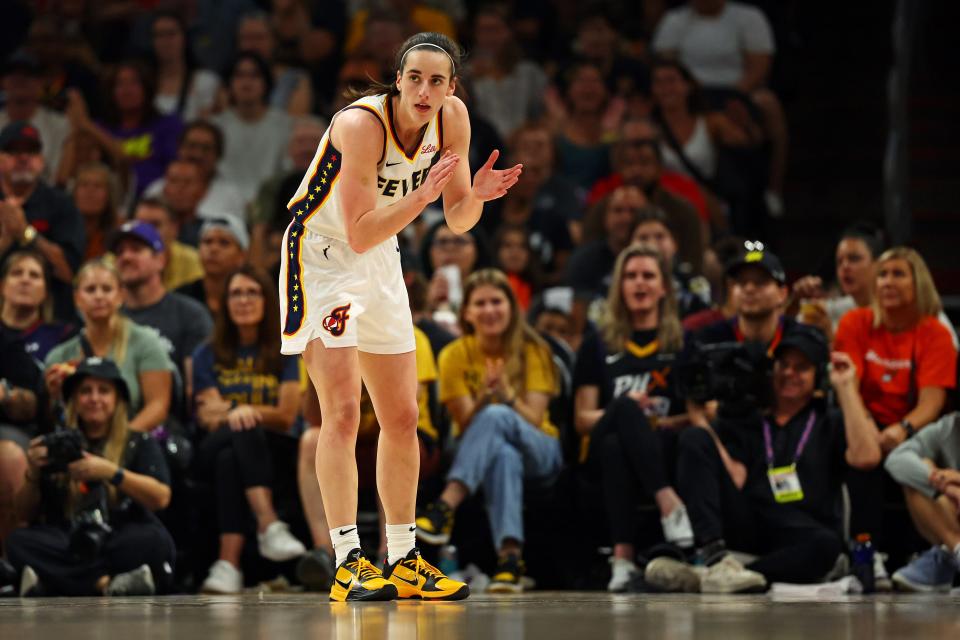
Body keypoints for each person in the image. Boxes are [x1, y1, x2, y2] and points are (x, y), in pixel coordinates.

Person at [280, 32, 521, 602]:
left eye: (437, 80)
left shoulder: (453, 119)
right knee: (339, 413)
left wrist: (477, 196)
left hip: (379, 255)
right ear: (398, 79)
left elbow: (457, 219)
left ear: (452, 88)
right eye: (414, 77)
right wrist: (421, 200)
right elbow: (359, 231)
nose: (424, 89)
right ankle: (347, 563)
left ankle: (405, 557)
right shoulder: (359, 126)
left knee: (403, 417)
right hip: (323, 258)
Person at [645, 326, 882, 593]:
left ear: (817, 375)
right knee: (693, 437)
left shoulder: (830, 420)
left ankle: (713, 577)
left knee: (827, 546)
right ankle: (714, 557)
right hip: (751, 520)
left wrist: (846, 387)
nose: (790, 373)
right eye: (783, 365)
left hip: (803, 530)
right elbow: (735, 477)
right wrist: (701, 421)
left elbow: (867, 458)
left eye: (801, 367)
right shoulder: (749, 416)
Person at [415, 269, 561, 594]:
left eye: (497, 301)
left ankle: (445, 507)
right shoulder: (454, 354)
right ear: (466, 312)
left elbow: (536, 419)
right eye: (479, 303)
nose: (489, 310)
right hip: (480, 451)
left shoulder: (534, 350)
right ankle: (510, 562)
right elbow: (465, 427)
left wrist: (505, 396)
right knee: (503, 455)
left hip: (541, 449)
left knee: (498, 416)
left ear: (511, 307)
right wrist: (483, 397)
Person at [573, 244, 694, 591]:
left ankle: (623, 561)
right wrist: (627, 412)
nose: (639, 284)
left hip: (660, 446)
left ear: (664, 287)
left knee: (617, 445)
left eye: (648, 276)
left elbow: (697, 415)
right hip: (596, 452)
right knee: (623, 410)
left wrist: (649, 425)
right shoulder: (597, 344)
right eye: (630, 276)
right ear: (619, 287)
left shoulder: (682, 343)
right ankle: (669, 504)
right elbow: (582, 418)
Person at [833, 247, 957, 580]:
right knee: (862, 455)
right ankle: (865, 554)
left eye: (899, 274)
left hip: (915, 426)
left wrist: (901, 430)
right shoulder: (855, 322)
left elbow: (932, 403)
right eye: (883, 274)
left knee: (909, 459)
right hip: (863, 420)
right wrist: (869, 429)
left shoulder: (935, 333)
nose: (888, 281)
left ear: (919, 284)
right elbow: (849, 383)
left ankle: (946, 551)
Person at [8, 357, 175, 596]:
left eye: (104, 391)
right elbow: (23, 514)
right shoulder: (57, 444)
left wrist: (112, 473)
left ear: (117, 399)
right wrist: (33, 472)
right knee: (19, 541)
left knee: (154, 540)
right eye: (85, 391)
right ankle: (107, 584)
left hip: (118, 533)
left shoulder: (138, 441)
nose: (94, 398)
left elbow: (161, 498)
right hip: (69, 538)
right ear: (74, 400)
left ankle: (59, 582)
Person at [191, 266, 306, 594]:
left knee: (234, 454)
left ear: (268, 300)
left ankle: (228, 565)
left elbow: (286, 415)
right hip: (213, 445)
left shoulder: (287, 349)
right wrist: (239, 412)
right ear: (224, 303)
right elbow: (208, 418)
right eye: (236, 293)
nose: (243, 300)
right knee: (240, 432)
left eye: (252, 292)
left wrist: (238, 410)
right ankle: (268, 524)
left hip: (276, 448)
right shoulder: (206, 353)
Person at [45, 259, 173, 434]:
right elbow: (52, 419)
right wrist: (54, 397)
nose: (99, 296)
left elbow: (158, 406)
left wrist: (119, 443)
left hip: (134, 440)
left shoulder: (146, 342)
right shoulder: (59, 356)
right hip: (79, 444)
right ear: (77, 298)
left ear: (121, 295)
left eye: (107, 289)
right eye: (90, 289)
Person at [0, 121, 86, 322]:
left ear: (41, 159)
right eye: (13, 151)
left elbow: (68, 272)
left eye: (31, 151)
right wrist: (5, 240)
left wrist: (26, 233)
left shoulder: (61, 204)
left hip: (54, 323)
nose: (23, 158)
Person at [112, 220, 214, 383]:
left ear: (161, 259)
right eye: (120, 252)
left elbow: (198, 384)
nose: (126, 257)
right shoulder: (109, 317)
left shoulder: (190, 315)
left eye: (136, 249)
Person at [885, 412, 960, 591]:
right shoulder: (949, 426)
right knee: (921, 467)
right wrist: (947, 487)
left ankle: (948, 557)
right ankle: (955, 549)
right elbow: (896, 459)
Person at [211, 52, 292, 206]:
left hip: (274, 203)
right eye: (239, 75)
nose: (246, 82)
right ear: (229, 83)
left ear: (266, 83)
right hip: (224, 204)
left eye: (254, 76)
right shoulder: (215, 127)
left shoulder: (285, 125)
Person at [0, 50, 69, 180]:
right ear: (3, 81)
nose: (20, 79)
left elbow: (57, 177)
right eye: (13, 74)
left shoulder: (59, 125)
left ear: (40, 82)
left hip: (45, 196)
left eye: (28, 74)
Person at [149, 11, 222, 121]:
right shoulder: (143, 81)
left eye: (171, 34)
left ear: (184, 38)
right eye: (159, 35)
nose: (165, 41)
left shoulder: (205, 80)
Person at [176, 217, 249, 315]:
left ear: (242, 256)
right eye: (207, 241)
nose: (213, 249)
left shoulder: (249, 299)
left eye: (224, 243)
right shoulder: (181, 298)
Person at [132, 197, 204, 293]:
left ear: (174, 228)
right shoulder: (118, 260)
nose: (147, 232)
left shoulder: (194, 261)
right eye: (141, 225)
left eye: (155, 225)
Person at [72, 163, 121, 262]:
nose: (90, 191)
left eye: (98, 186)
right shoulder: (59, 227)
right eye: (84, 184)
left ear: (109, 195)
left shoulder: (119, 231)